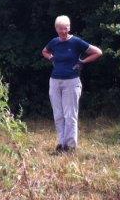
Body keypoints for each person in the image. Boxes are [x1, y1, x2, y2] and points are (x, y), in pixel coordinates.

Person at [41, 16, 102, 153]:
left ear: (69, 27)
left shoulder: (76, 42)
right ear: (56, 29)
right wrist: (51, 57)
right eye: (60, 28)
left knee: (70, 115)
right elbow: (44, 51)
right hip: (55, 81)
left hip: (71, 82)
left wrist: (83, 62)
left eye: (66, 28)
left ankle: (71, 147)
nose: (63, 31)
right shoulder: (54, 42)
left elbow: (98, 52)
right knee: (58, 114)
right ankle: (61, 144)